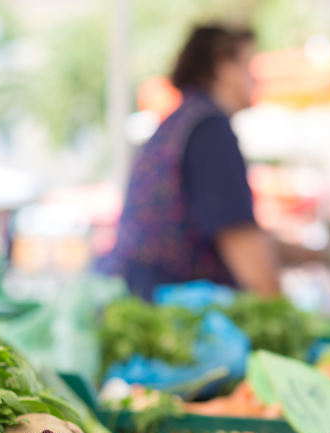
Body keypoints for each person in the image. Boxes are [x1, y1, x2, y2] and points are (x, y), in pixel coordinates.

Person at [101, 26, 306, 300]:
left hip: (140, 298)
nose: (256, 80)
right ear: (224, 65)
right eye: (248, 65)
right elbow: (251, 261)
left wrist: (322, 254)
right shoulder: (209, 130)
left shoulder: (179, 121)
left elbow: (238, 237)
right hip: (172, 315)